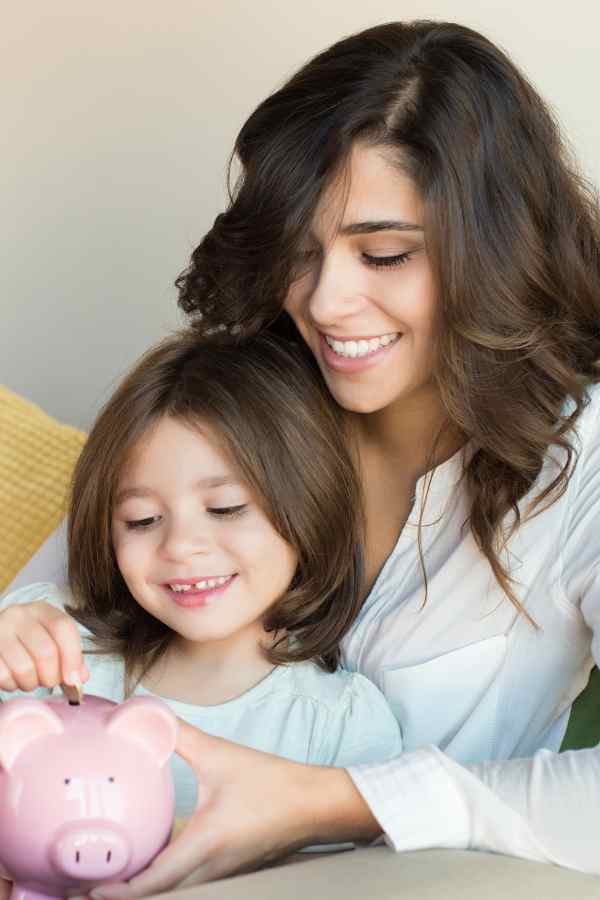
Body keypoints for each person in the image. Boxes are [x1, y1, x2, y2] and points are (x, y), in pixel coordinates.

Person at [8, 18, 600, 897]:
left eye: (386, 253)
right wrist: (24, 629)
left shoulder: (578, 458)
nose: (325, 301)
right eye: (300, 251)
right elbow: (61, 589)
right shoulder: (244, 393)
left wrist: (336, 800)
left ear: (495, 248)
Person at [0, 332, 403, 821]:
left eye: (226, 508)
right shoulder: (60, 651)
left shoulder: (339, 722)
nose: (181, 546)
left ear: (309, 506)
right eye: (143, 520)